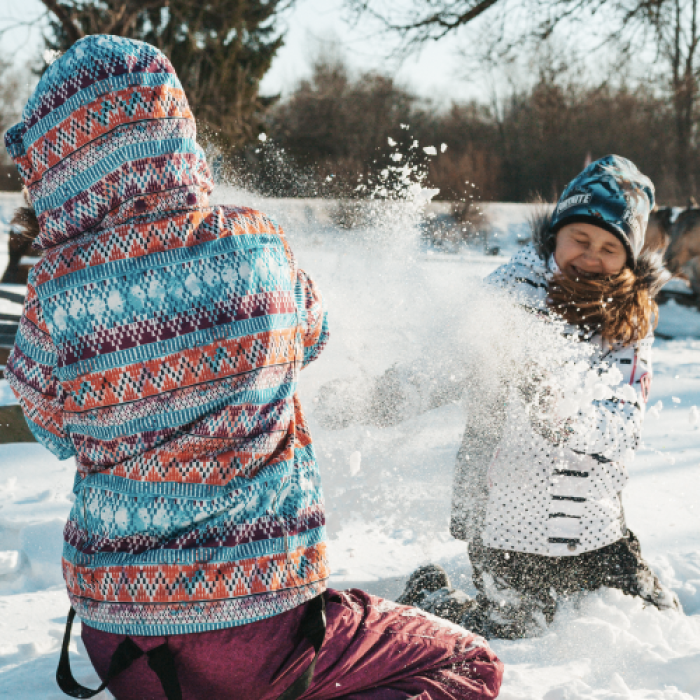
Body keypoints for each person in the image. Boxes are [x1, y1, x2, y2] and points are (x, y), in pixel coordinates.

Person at [4, 36, 502, 700]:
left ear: (57, 163)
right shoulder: (256, 244)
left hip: (122, 646)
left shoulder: (54, 293)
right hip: (259, 636)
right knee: (466, 662)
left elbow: (52, 429)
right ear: (172, 134)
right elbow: (314, 334)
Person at [393, 155, 681, 639]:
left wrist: (563, 413)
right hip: (504, 522)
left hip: (594, 526)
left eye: (610, 247)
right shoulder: (508, 293)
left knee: (659, 618)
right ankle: (430, 596)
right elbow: (446, 362)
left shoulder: (631, 321)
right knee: (514, 626)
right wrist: (383, 397)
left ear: (627, 257)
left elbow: (622, 423)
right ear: (556, 236)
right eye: (581, 239)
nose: (591, 256)